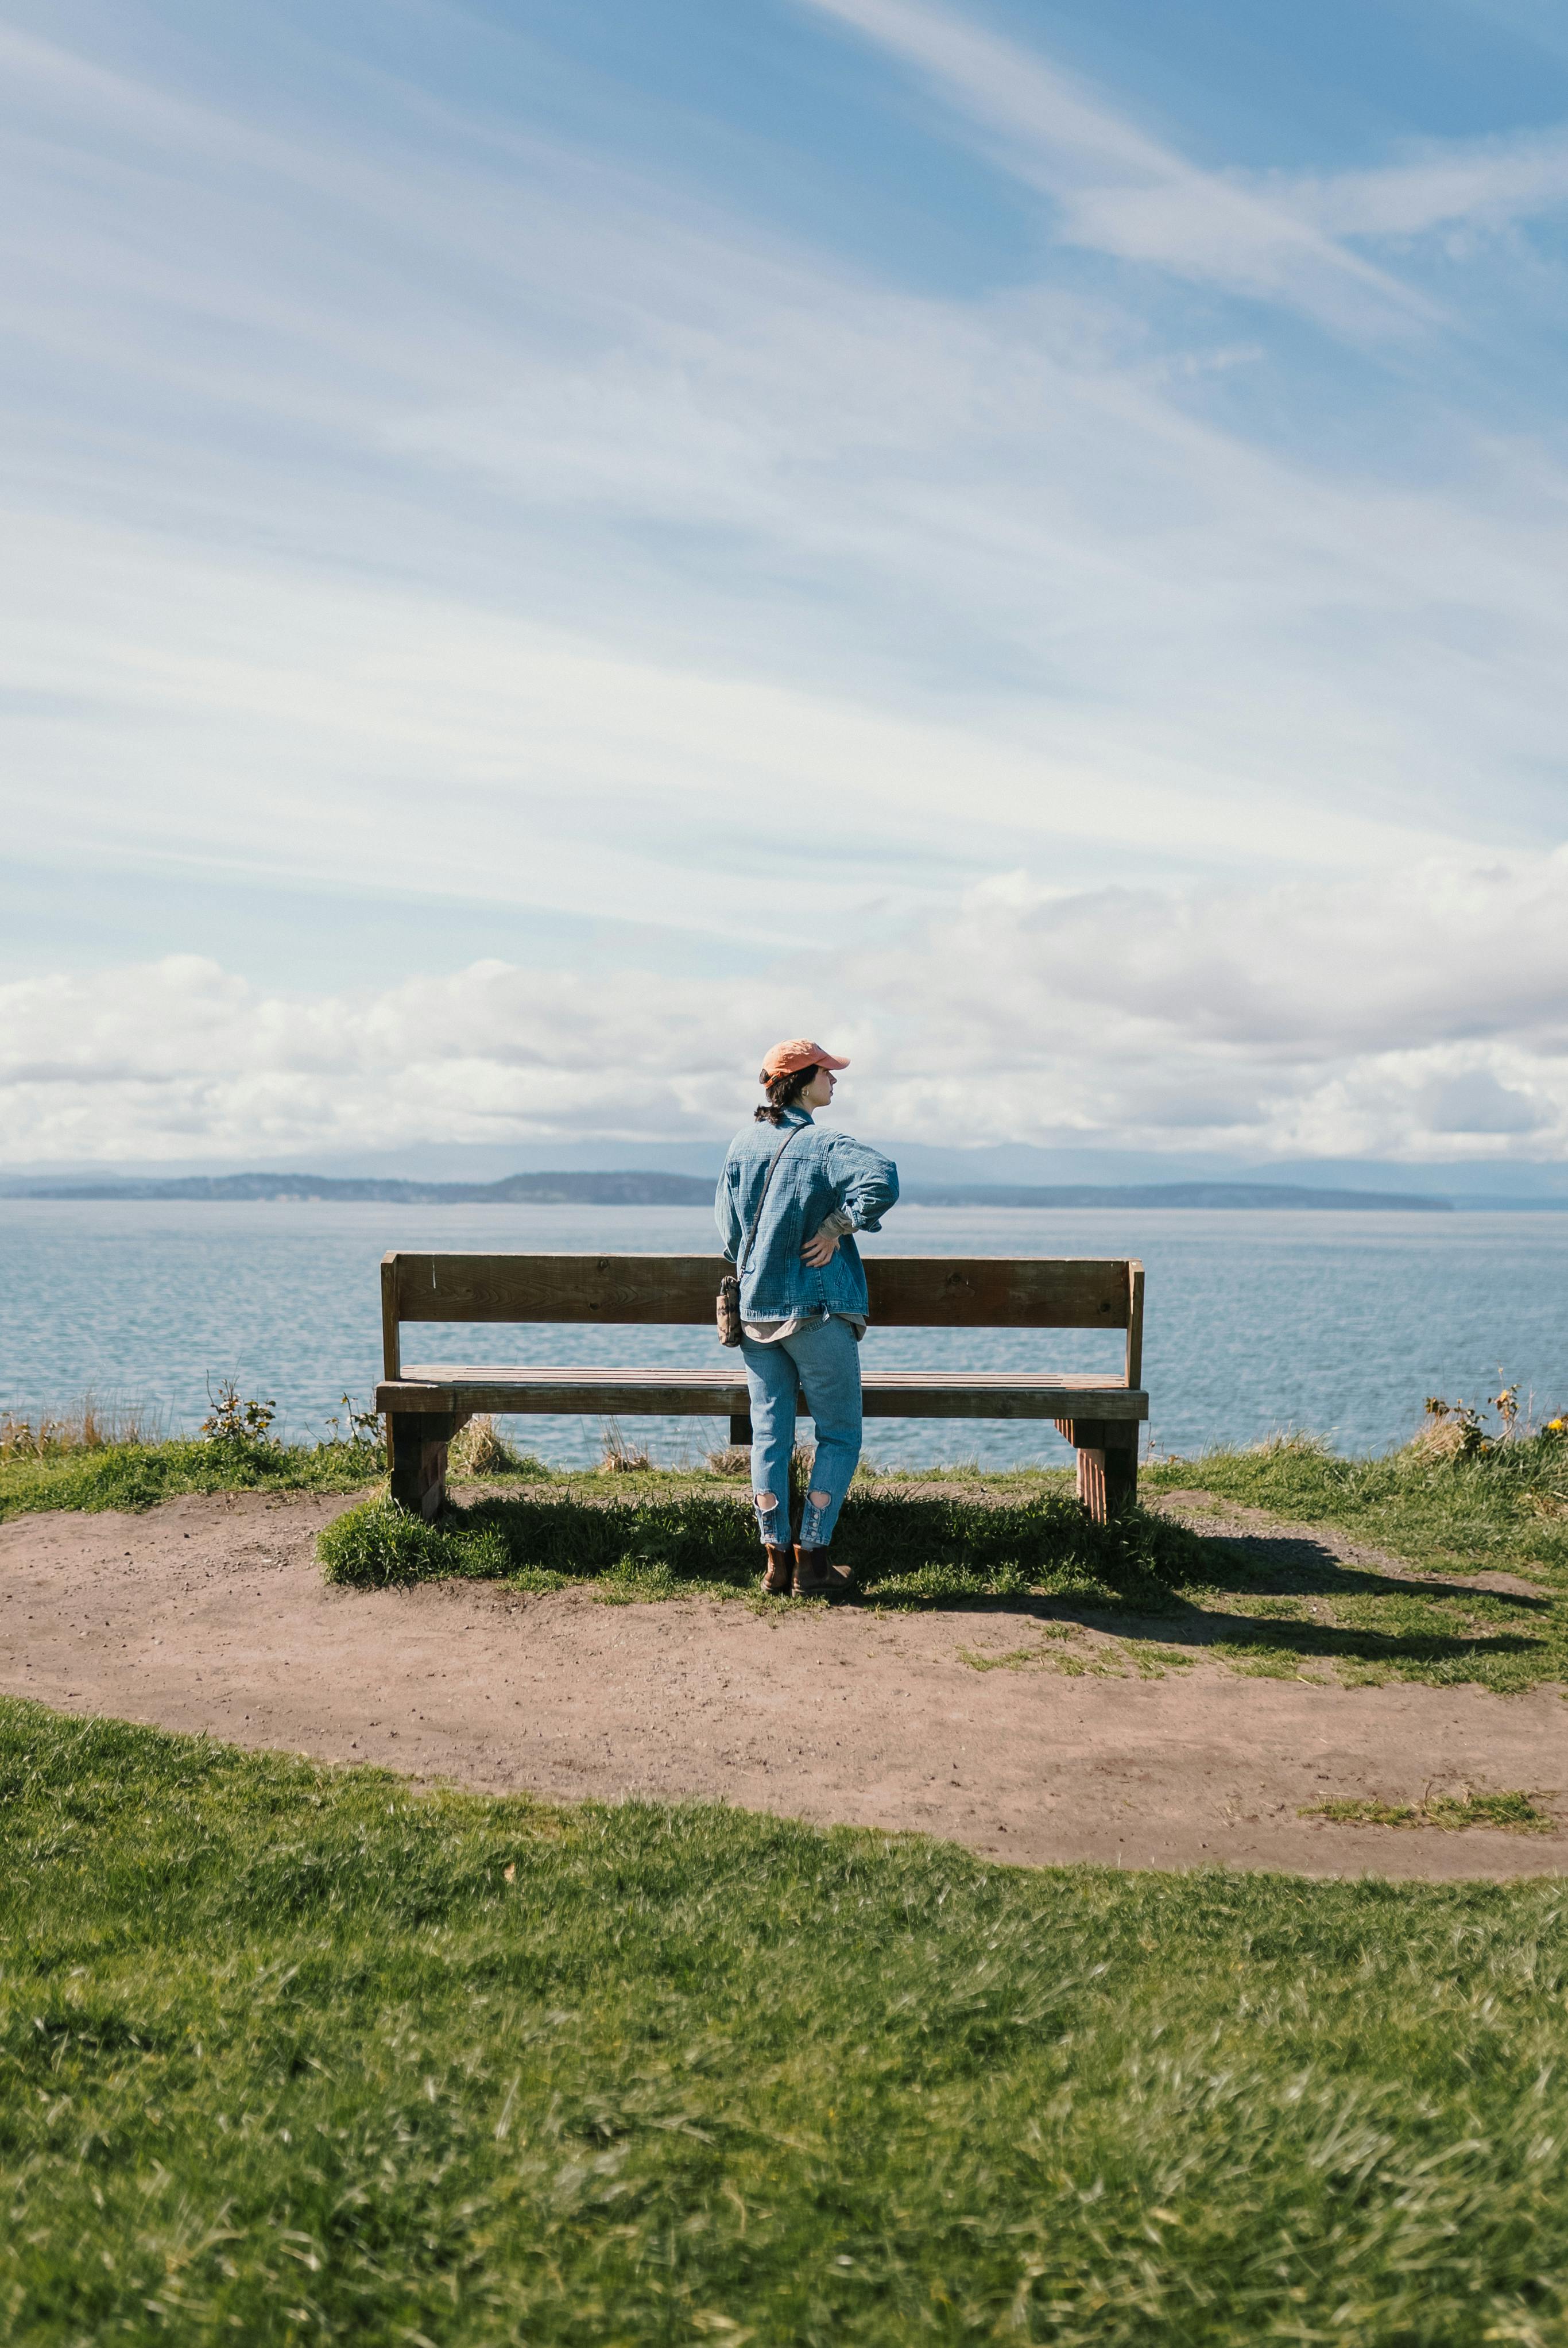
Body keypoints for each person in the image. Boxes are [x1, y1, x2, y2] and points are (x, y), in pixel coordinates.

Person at [714, 1038, 899, 1596]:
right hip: (815, 1314)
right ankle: (813, 1559)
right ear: (799, 1082)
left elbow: (728, 1234)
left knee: (770, 1434)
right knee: (839, 1435)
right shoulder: (823, 1143)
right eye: (827, 1073)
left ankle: (774, 1560)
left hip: (754, 1315)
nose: (835, 1082)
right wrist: (836, 1227)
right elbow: (882, 1180)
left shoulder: (741, 1144)